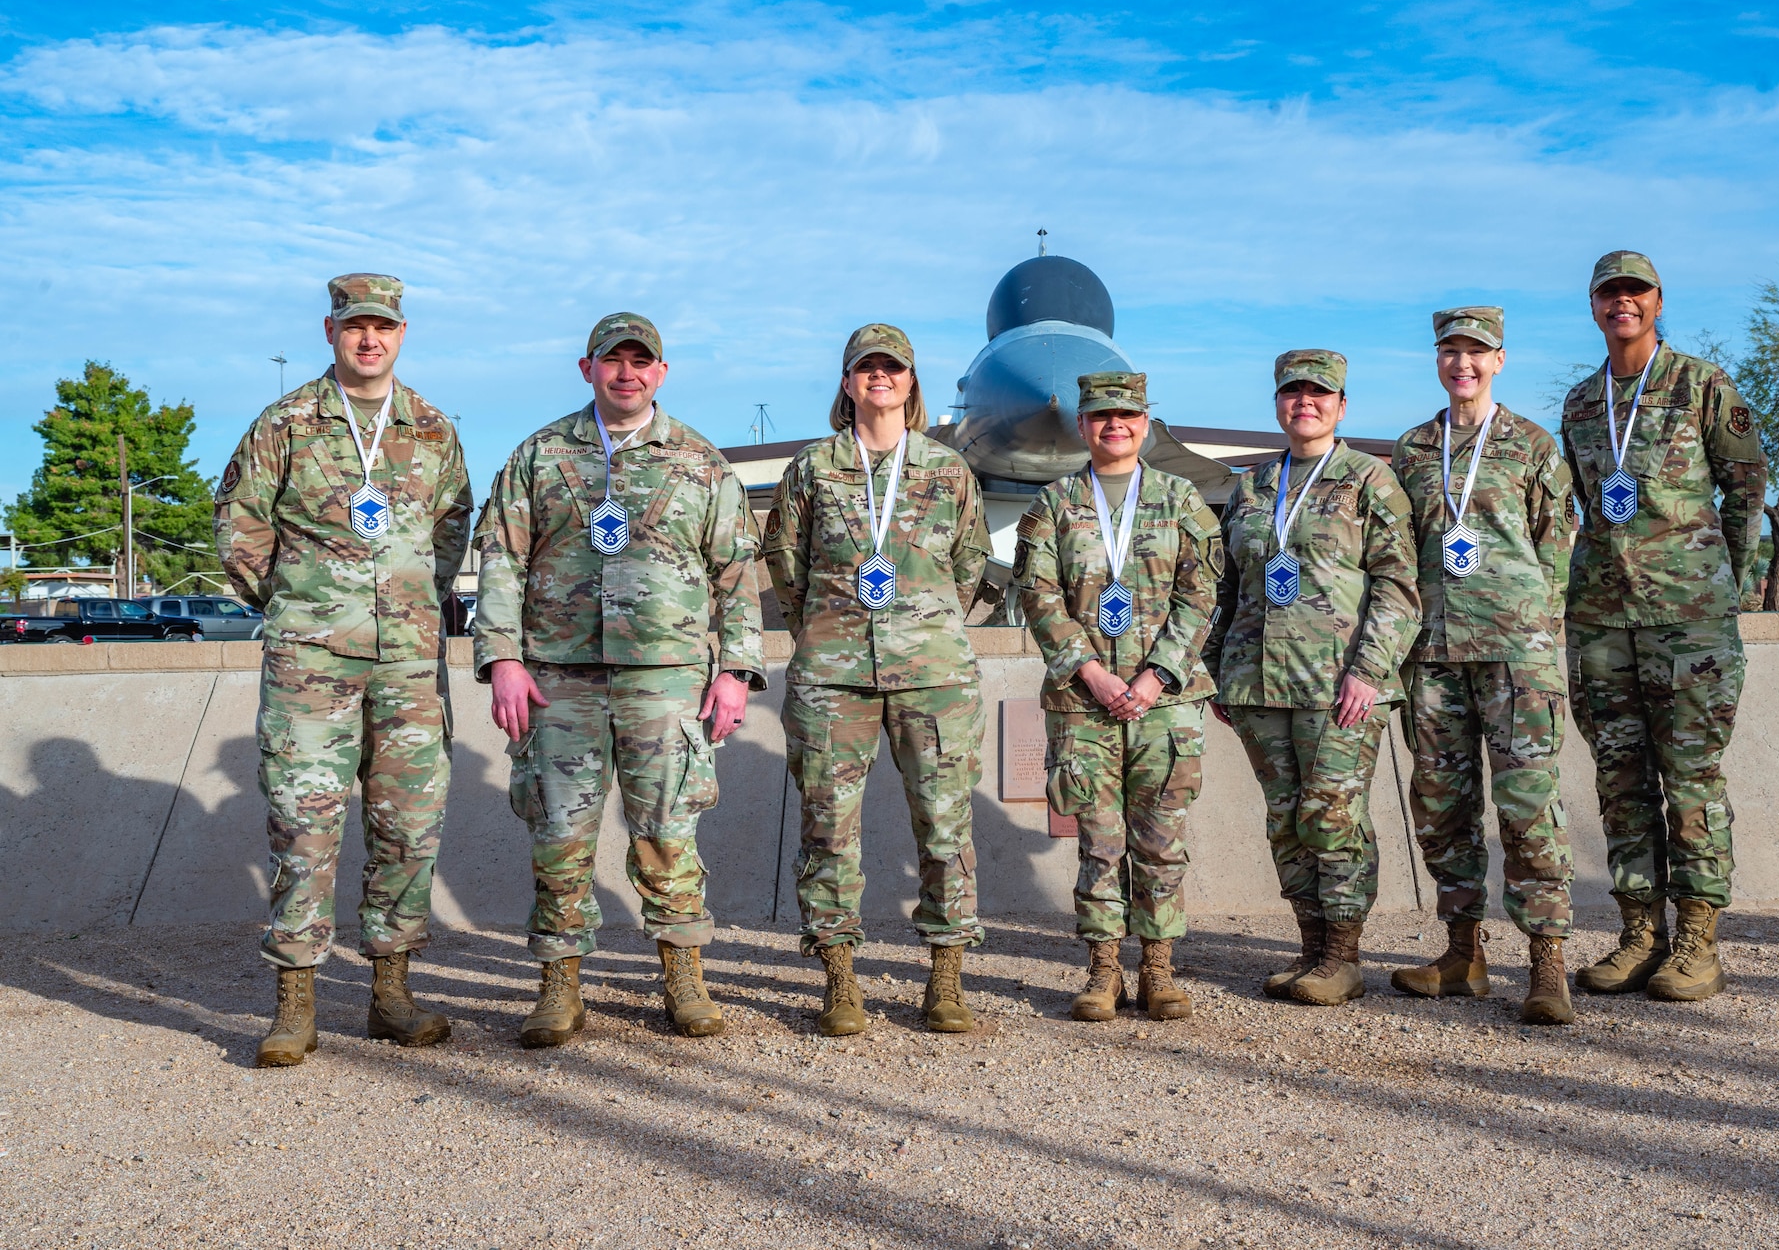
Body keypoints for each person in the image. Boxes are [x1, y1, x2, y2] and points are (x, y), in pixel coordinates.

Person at [475, 312, 764, 1046]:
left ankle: (682, 975)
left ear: (661, 373)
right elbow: (501, 559)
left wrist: (734, 670)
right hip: (558, 678)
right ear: (587, 368)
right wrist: (502, 656)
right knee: (558, 835)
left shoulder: (700, 461)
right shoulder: (539, 456)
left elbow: (735, 574)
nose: (626, 372)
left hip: (665, 679)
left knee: (669, 831)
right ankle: (559, 984)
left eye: (641, 361)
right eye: (613, 360)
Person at [215, 273, 472, 1068]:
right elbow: (238, 526)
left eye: (383, 327)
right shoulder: (286, 422)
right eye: (355, 326)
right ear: (331, 330)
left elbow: (453, 525)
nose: (370, 339)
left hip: (407, 665)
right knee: (304, 825)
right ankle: (296, 1000)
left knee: (407, 827)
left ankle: (390, 992)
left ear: (402, 333)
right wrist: (300, 604)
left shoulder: (431, 427)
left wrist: (410, 607)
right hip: (311, 663)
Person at [761, 324, 993, 1036]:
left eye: (893, 367)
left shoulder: (946, 470)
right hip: (835, 676)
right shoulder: (813, 469)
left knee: (946, 824)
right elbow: (786, 564)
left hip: (934, 676)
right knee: (828, 828)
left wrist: (925, 626)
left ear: (912, 382)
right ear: (847, 381)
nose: (880, 377)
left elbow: (971, 561)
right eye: (867, 368)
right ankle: (839, 978)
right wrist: (826, 630)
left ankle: (946, 977)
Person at [1559, 251, 1767, 1002]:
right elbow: (1587, 503)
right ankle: (1640, 934)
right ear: (1593, 307)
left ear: (1657, 301)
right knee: (1620, 782)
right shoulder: (1582, 404)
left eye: (1635, 293)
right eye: (1610, 294)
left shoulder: (1703, 385)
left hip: (1689, 625)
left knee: (1691, 782)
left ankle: (1698, 943)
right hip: (1603, 621)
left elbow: (1745, 491)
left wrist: (1719, 586)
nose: (1623, 304)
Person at [1203, 350, 1420, 1007]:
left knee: (1333, 816)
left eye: (1319, 393)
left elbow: (1398, 588)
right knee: (1286, 822)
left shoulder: (1368, 481)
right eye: (1293, 392)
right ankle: (1309, 947)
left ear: (1342, 405)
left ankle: (1343, 956)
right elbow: (1230, 586)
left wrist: (1369, 673)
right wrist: (1219, 670)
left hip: (1339, 687)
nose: (1306, 402)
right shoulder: (1252, 487)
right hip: (1259, 686)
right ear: (1277, 404)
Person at [1012, 372, 1222, 1022]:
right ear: (1083, 425)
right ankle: (1104, 970)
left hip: (1162, 704)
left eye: (1127, 414)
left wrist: (1156, 673)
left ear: (1146, 421)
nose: (1115, 425)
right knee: (1100, 842)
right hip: (1085, 703)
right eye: (1101, 415)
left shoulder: (1181, 499)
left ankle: (1157, 969)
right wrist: (1091, 672)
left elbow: (1201, 593)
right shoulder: (1054, 504)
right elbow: (1037, 594)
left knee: (1161, 841)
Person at [1389, 307, 1577, 1025]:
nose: (1462, 363)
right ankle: (1462, 954)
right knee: (1441, 808)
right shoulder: (1412, 449)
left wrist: (1541, 634)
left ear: (1500, 359)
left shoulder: (1531, 444)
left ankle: (1546, 962)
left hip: (1514, 656)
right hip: (1434, 655)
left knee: (1530, 809)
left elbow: (1555, 546)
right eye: (1450, 350)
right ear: (1437, 360)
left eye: (1477, 351)